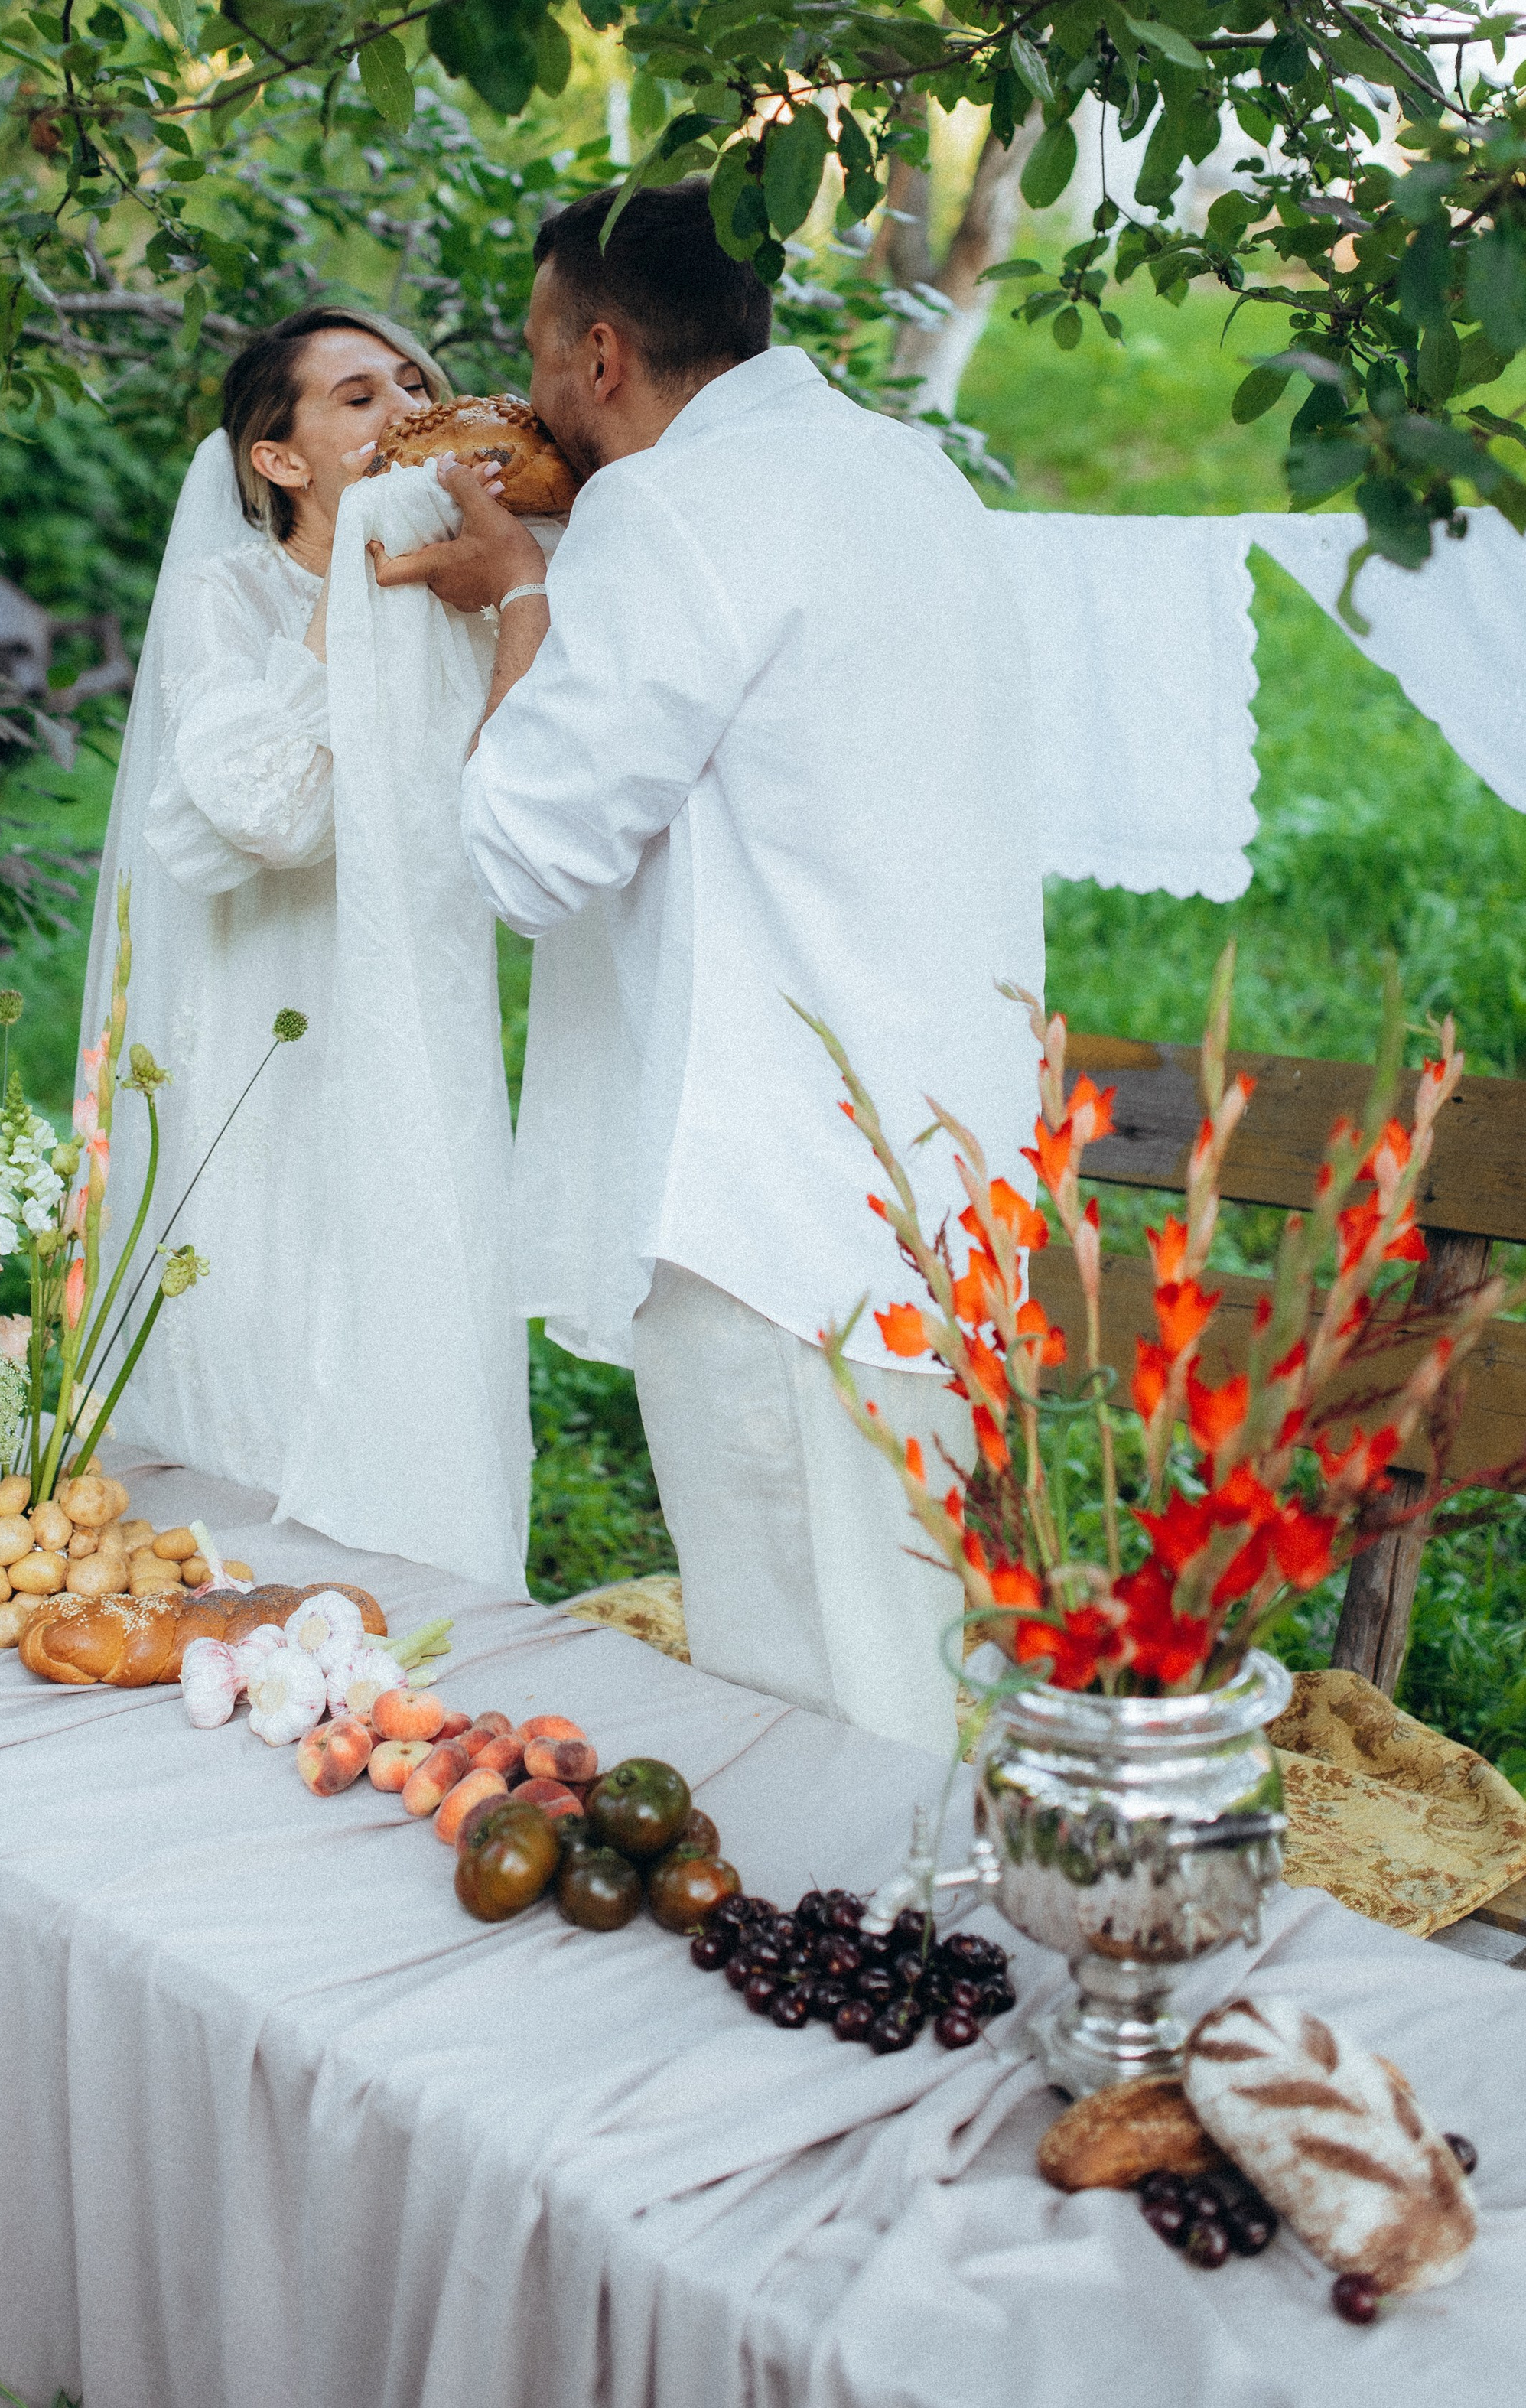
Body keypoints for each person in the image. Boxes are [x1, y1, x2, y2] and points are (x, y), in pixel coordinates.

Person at [373, 181, 1042, 1752]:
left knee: (811, 1683)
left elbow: (532, 852)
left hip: (768, 1197)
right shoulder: (904, 475)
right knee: (928, 1634)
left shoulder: (664, 512)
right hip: (943, 1158)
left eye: (537, 353)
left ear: (599, 357)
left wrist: (522, 596)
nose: (528, 391)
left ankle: (872, 1968)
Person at [79, 307, 532, 1583]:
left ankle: (438, 1626)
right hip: (270, 1028)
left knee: (420, 1309)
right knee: (277, 1313)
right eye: (354, 397)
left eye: (411, 382)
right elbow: (269, 811)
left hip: (422, 1017)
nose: (401, 409)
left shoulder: (465, 584)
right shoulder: (230, 599)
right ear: (279, 461)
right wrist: (348, 600)